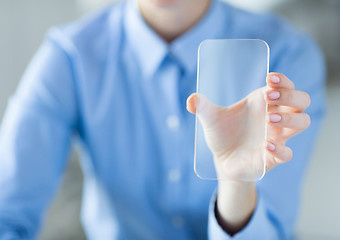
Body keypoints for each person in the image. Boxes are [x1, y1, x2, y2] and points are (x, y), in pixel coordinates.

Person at [0, 0, 325, 239]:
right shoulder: (69, 56)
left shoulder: (286, 54)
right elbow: (6, 213)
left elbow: (271, 228)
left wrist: (236, 182)